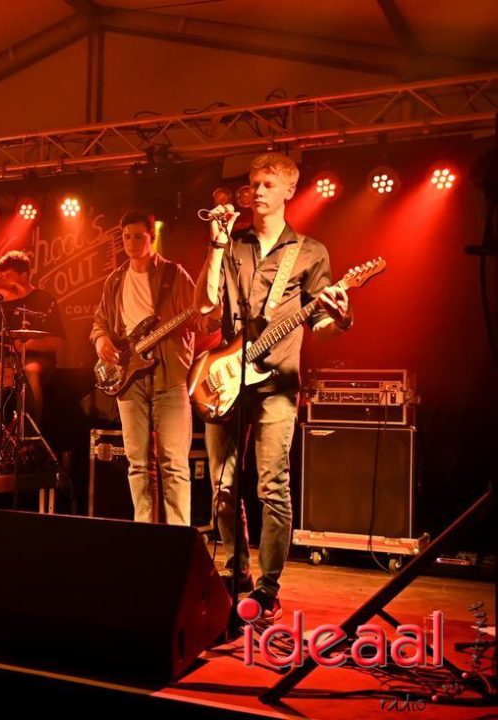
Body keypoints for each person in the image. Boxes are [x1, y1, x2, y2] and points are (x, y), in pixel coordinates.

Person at [195, 152, 353, 621]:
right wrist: (217, 244)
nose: (258, 191)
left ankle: (267, 587)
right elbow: (204, 305)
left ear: (289, 190)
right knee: (223, 486)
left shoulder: (309, 252)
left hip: (278, 384)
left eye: (268, 184)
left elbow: (321, 324)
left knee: (272, 485)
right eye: (254, 183)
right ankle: (236, 568)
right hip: (227, 378)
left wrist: (341, 318)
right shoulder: (233, 244)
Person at [90, 209, 198, 526]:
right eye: (126, 237)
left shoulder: (174, 275)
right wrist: (101, 341)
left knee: (174, 463)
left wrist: (209, 317)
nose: (132, 243)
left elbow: (198, 318)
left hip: (169, 377)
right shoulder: (115, 280)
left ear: (152, 237)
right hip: (129, 379)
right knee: (137, 463)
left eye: (139, 236)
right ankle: (144, 533)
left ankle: (178, 537)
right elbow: (99, 322)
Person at [0, 250, 64, 422]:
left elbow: (57, 342)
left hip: (38, 360)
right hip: (6, 361)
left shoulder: (44, 300)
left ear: (23, 276)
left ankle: (29, 432)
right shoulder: (0, 304)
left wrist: (28, 345)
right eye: (1, 276)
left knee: (29, 369)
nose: (3, 281)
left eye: (8, 276)